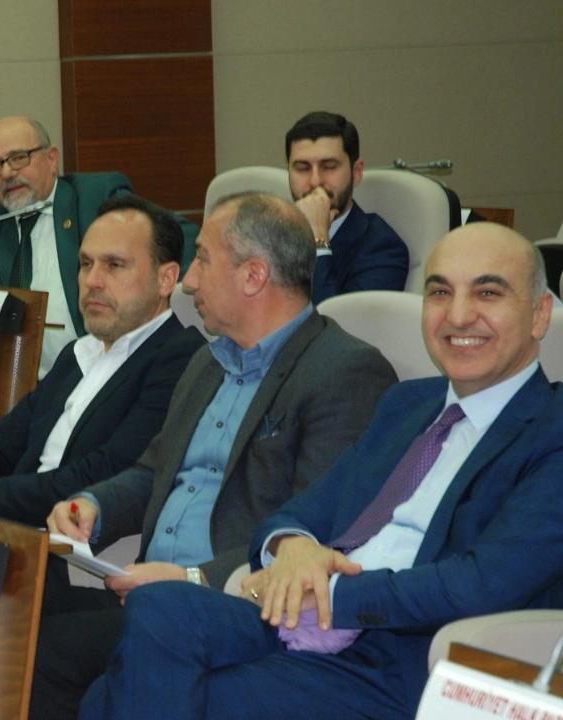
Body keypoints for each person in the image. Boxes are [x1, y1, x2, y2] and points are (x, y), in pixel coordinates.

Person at [79, 222, 563, 720]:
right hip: (295, 621)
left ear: (539, 314)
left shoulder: (552, 429)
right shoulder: (408, 405)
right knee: (158, 608)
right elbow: (303, 511)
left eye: (487, 293)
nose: (458, 315)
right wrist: (293, 548)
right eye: (440, 292)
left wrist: (328, 592)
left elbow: (480, 584)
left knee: (114, 701)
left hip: (403, 657)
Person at [32, 192, 398, 719]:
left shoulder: (344, 372)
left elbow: (317, 530)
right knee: (12, 602)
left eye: (202, 259)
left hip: (237, 605)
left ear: (253, 275)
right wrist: (93, 504)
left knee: (46, 654)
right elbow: (154, 471)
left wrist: (191, 579)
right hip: (148, 587)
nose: (188, 281)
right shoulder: (207, 362)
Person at [0, 115, 196, 471]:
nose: (7, 173)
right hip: (29, 389)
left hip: (100, 369)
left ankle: (25, 485)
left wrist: (174, 290)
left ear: (51, 159)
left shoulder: (94, 197)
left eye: (19, 158)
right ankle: (24, 484)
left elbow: (181, 238)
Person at [0, 193, 205, 525]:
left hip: (68, 540)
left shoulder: (182, 357)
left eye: (114, 265)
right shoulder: (78, 353)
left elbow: (103, 474)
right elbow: (0, 440)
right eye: (86, 264)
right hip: (14, 527)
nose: (92, 281)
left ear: (166, 279)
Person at [285, 111, 409, 304]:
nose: (315, 181)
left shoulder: (382, 248)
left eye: (329, 166)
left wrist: (318, 238)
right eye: (302, 168)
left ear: (356, 172)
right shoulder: (270, 232)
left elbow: (335, 321)